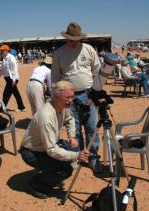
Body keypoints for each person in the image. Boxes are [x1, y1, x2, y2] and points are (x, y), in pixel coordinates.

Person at [20, 80, 89, 199]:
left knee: (72, 148)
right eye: (67, 97)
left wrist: (71, 136)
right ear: (56, 96)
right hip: (32, 152)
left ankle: (50, 174)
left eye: (72, 97)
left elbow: (70, 119)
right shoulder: (46, 116)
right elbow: (51, 150)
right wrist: (76, 156)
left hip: (46, 147)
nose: (70, 100)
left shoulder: (63, 105)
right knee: (66, 170)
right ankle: (35, 183)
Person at [51, 22, 102, 173]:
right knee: (75, 130)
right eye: (70, 40)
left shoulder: (89, 50)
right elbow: (55, 77)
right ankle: (77, 157)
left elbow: (97, 71)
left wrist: (95, 92)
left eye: (76, 40)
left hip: (88, 94)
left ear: (80, 39)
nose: (73, 43)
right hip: (69, 98)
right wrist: (57, 97)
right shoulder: (59, 53)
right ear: (66, 39)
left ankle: (93, 158)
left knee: (92, 127)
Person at [0, 44, 25, 112]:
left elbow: (14, 69)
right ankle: (22, 107)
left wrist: (14, 80)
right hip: (8, 79)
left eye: (2, 50)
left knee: (6, 93)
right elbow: (2, 70)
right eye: (1, 50)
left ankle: (2, 108)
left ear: (6, 50)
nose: (1, 51)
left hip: (12, 79)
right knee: (15, 93)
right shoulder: (4, 58)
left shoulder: (11, 57)